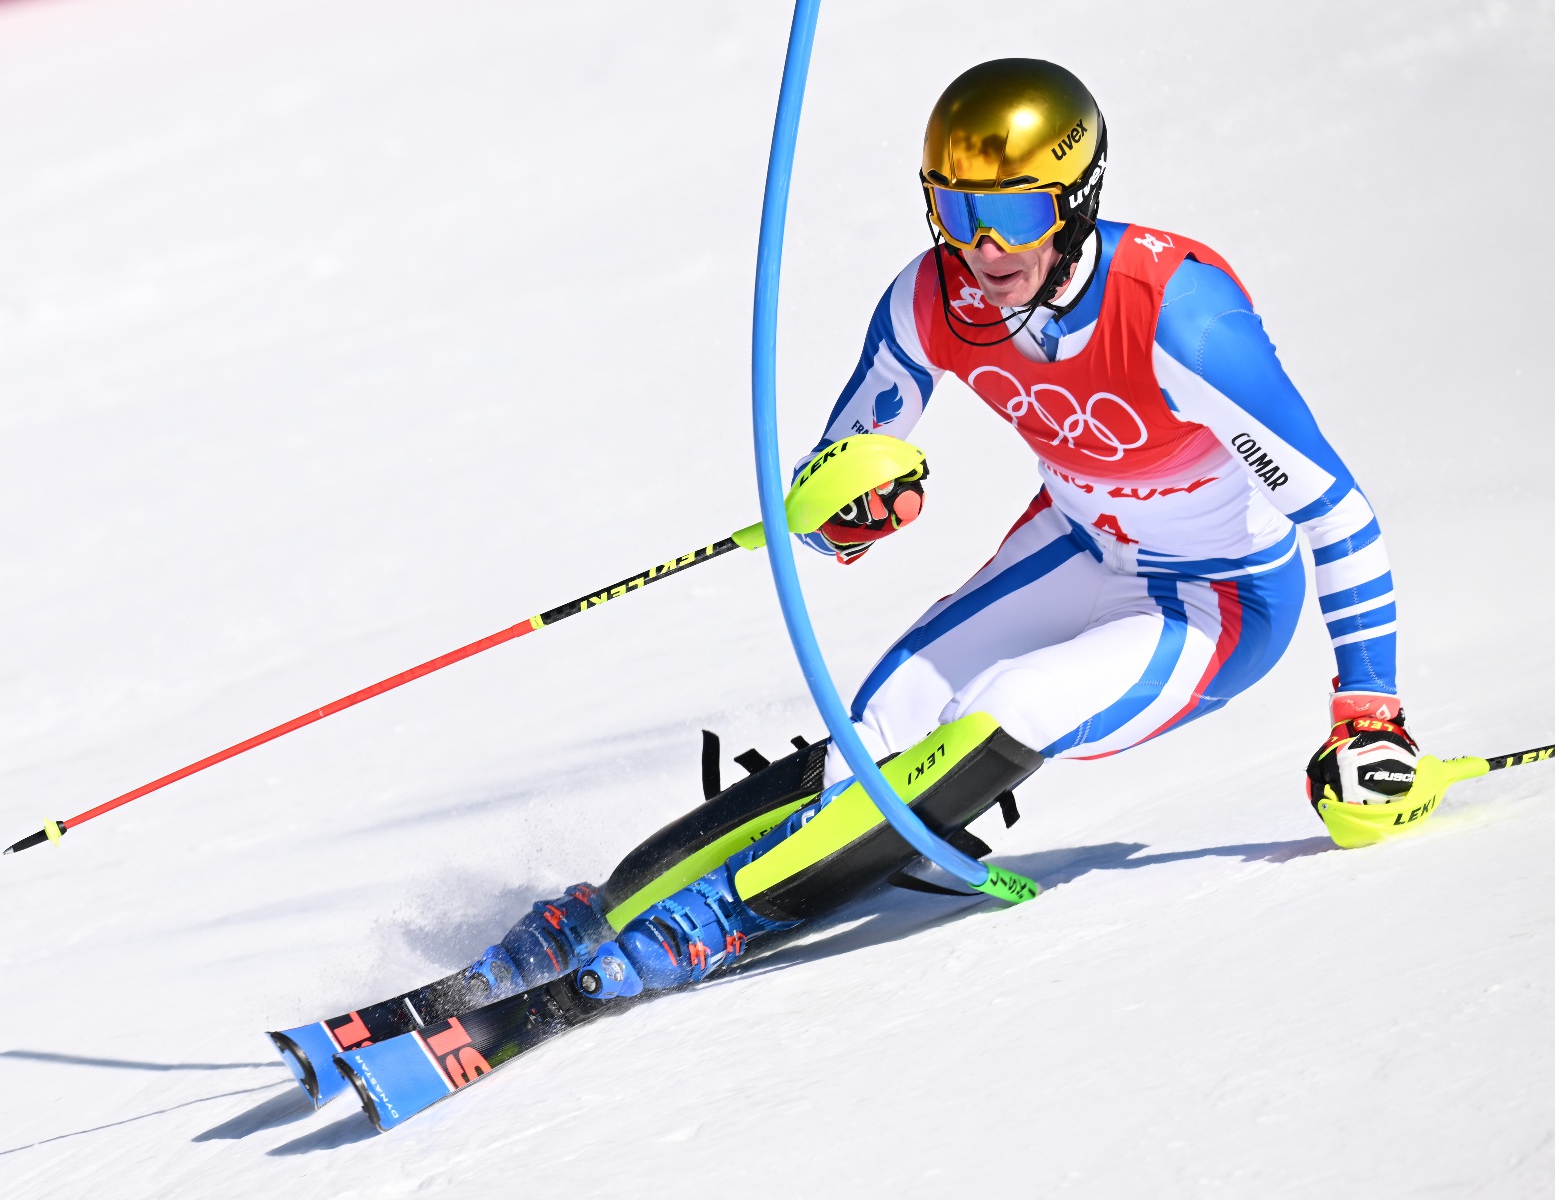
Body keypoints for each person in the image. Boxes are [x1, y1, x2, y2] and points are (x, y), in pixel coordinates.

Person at [457, 58, 1421, 1008]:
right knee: (877, 724)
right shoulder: (931, 299)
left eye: (1017, 215)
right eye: (957, 212)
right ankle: (602, 912)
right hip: (1077, 544)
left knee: (1009, 704)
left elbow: (1335, 511)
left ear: (1077, 201)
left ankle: (720, 918)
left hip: (1216, 598)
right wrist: (849, 512)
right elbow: (832, 488)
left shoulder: (1181, 318)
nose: (984, 249)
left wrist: (1368, 715)